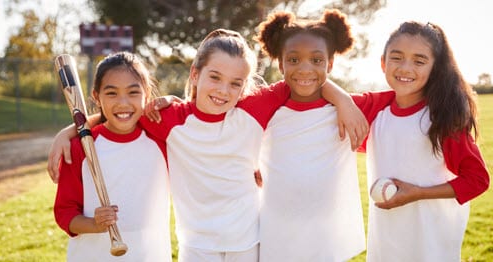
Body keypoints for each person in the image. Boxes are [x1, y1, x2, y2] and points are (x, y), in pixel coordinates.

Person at [48, 29, 368, 262]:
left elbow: (305, 75)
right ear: (195, 74)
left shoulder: (253, 109)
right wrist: (73, 130)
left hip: (249, 242)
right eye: (214, 77)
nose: (223, 91)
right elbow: (120, 113)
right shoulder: (168, 118)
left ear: (245, 85)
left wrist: (343, 99)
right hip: (197, 247)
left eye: (235, 83)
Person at [253, 9, 397, 262]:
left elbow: (409, 97)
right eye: (294, 60)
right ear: (280, 63)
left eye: (317, 60)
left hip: (326, 234)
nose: (305, 69)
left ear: (330, 63)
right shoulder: (266, 105)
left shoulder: (352, 108)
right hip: (276, 229)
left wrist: (343, 99)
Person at [363, 21, 490, 261]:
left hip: (430, 240)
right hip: (386, 239)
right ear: (383, 63)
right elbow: (325, 96)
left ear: (435, 68)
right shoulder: (376, 109)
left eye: (419, 61)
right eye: (396, 58)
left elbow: (477, 180)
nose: (405, 68)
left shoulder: (441, 118)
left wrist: (419, 193)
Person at [53, 52, 172, 261]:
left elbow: (193, 114)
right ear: (96, 97)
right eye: (111, 93)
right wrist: (94, 224)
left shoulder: (161, 139)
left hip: (150, 255)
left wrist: (172, 99)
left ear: (147, 94)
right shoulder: (79, 148)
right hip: (93, 255)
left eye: (133, 92)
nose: (123, 103)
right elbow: (65, 213)